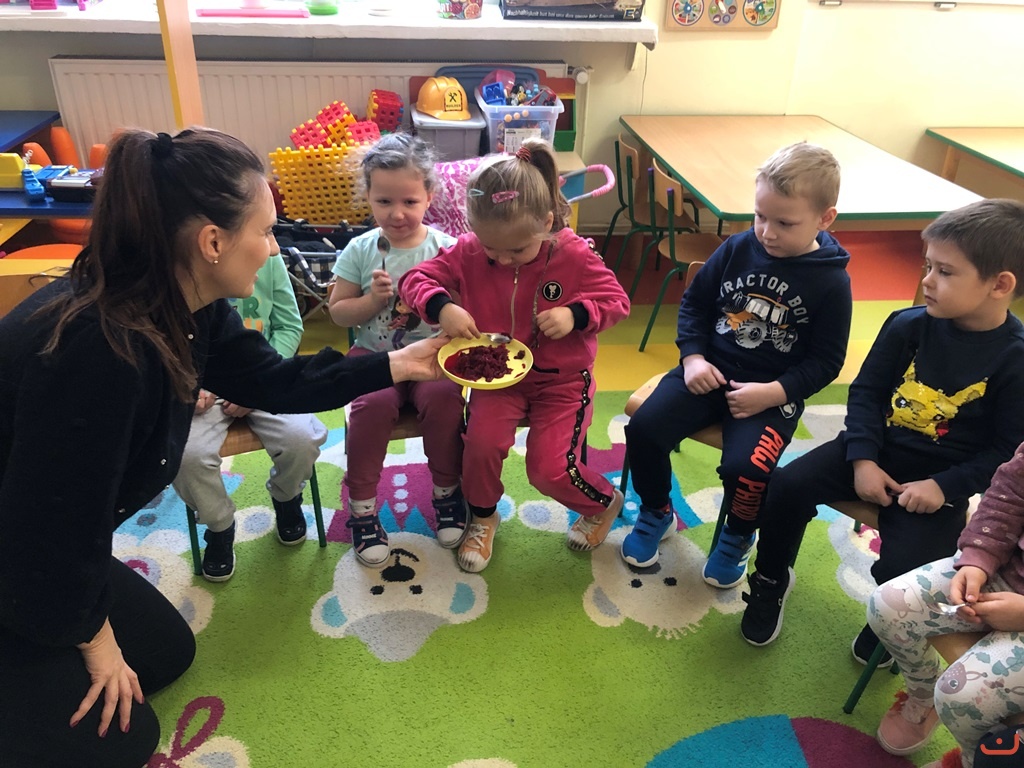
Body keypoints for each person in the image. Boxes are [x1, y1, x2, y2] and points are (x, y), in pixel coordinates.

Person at [0, 126, 446, 768]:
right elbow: (50, 528)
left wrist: (398, 363)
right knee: (126, 739)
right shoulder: (100, 354)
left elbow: (275, 381)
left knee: (165, 654)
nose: (274, 247)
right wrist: (96, 642)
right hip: (22, 550)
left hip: (52, 538)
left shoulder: (184, 302)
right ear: (212, 242)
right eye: (265, 231)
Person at [740, 198, 1024, 666]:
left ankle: (884, 623)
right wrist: (863, 459)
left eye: (945, 272)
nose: (927, 280)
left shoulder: (1015, 359)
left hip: (938, 487)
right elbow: (866, 394)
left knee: (910, 568)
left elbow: (1006, 452)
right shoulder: (906, 325)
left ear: (1000, 285)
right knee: (786, 486)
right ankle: (771, 580)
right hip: (871, 452)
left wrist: (942, 486)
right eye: (928, 266)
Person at [620, 143, 852, 588]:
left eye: (784, 223)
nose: (766, 232)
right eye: (759, 216)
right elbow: (694, 305)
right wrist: (692, 358)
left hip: (770, 396)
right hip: (705, 372)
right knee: (644, 429)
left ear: (825, 219)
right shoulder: (737, 247)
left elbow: (827, 362)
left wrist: (774, 393)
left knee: (747, 470)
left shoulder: (832, 282)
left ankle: (739, 534)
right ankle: (656, 511)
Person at [398, 139, 630, 573]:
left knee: (548, 470)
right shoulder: (469, 249)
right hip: (498, 378)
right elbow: (415, 279)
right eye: (492, 250)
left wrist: (577, 314)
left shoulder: (574, 254)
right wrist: (441, 306)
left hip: (563, 381)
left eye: (517, 251)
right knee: (480, 447)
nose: (503, 259)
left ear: (546, 223)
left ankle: (603, 502)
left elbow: (617, 301)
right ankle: (484, 518)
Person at [328, 133, 466, 567]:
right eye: (384, 201)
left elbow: (468, 306)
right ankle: (362, 509)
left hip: (433, 358)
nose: (397, 213)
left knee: (445, 402)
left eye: (409, 201)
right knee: (370, 407)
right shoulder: (360, 249)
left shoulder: (447, 249)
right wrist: (371, 301)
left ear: (430, 196)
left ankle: (447, 492)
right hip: (374, 356)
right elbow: (338, 314)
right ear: (368, 198)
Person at [868, 442, 1024, 768]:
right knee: (887, 604)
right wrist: (978, 559)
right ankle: (922, 696)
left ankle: (971, 760)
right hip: (1001, 569)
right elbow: (1007, 496)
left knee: (959, 696)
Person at [173, 253, 327, 582]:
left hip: (264, 375)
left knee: (301, 437)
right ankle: (220, 526)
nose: (272, 244)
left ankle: (286, 497)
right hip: (202, 389)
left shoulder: (267, 258)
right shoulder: (179, 265)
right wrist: (189, 384)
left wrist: (257, 381)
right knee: (184, 455)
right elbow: (165, 340)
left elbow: (289, 325)